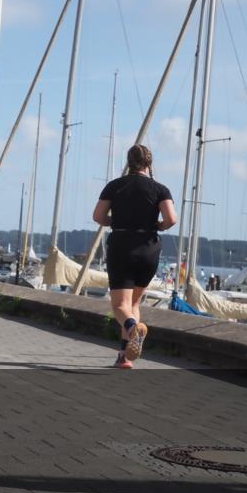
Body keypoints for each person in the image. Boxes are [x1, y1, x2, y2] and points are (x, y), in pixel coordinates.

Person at [92, 144, 177, 369]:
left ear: (129, 162)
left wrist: (117, 221)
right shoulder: (160, 189)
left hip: (122, 245)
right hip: (149, 247)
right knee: (134, 302)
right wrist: (158, 224)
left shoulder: (115, 186)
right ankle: (124, 356)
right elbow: (171, 219)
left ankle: (132, 328)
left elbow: (98, 216)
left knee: (120, 305)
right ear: (149, 163)